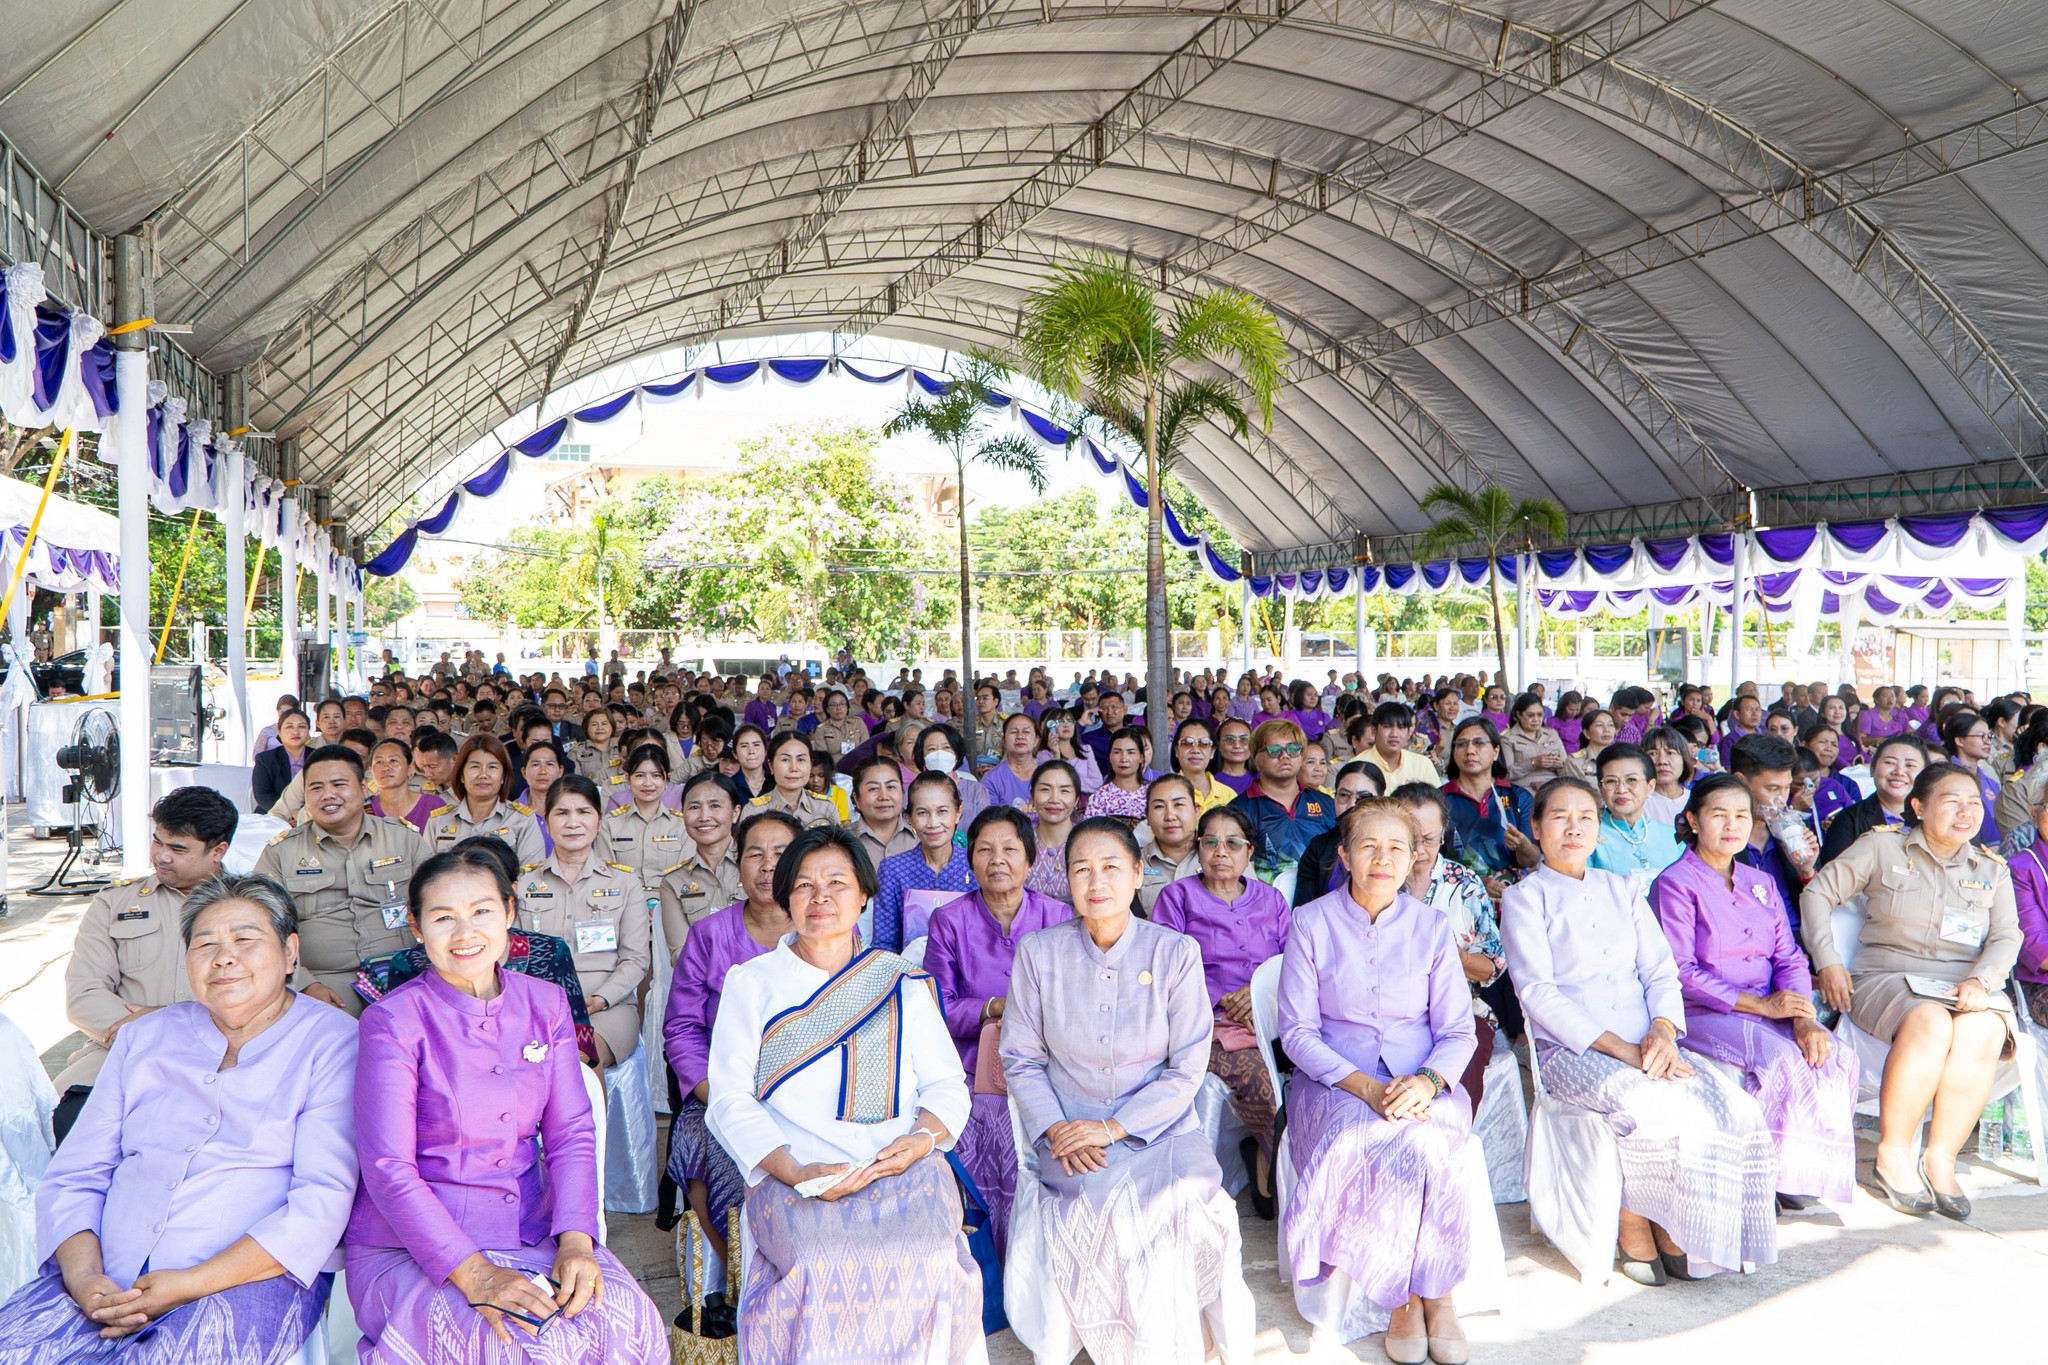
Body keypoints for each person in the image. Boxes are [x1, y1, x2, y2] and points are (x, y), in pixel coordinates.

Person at [0, 876, 358, 1364]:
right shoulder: (143, 1038)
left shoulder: (334, 1041)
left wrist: (188, 1285)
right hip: (106, 1277)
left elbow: (322, 1200)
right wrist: (86, 1282)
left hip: (244, 1280)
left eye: (246, 940)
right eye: (205, 943)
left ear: (291, 951)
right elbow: (74, 1175)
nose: (224, 957)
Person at [345, 847, 667, 1361]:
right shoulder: (393, 1021)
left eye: (482, 912)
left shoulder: (545, 1003)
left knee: (628, 1322)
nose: (464, 932)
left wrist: (578, 1242)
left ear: (510, 914)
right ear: (417, 927)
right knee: (514, 1346)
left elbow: (571, 1134)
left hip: (532, 1233)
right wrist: (474, 1274)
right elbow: (388, 1169)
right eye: (443, 917)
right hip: (413, 1250)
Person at [705, 826, 981, 1364]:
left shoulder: (900, 981)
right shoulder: (751, 983)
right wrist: (791, 1170)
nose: (820, 897)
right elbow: (730, 1099)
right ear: (785, 897)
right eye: (804, 885)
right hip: (796, 1173)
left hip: (899, 1167)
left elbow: (948, 1084)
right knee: (818, 1262)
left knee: (928, 1257)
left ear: (864, 896)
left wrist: (922, 1140)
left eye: (837, 882)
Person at [1000, 818, 1256, 1363]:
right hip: (1069, 1128)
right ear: (1064, 880)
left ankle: (1173, 1339)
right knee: (1100, 1209)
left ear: (1139, 873)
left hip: (1159, 1129)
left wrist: (1115, 1127)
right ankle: (1121, 1340)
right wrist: (1058, 1130)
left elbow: (1188, 1067)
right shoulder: (1039, 953)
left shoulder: (1175, 952)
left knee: (1183, 1207)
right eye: (1081, 869)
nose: (1097, 881)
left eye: (1112, 866)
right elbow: (1020, 1060)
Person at [1502, 777, 1776, 1283]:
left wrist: (1664, 1031)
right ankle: (1635, 1217)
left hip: (1649, 1041)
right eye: (1559, 817)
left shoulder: (1622, 888)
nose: (1574, 827)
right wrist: (1623, 1051)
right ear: (1536, 828)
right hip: (1573, 1049)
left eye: (1586, 816)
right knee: (1649, 1104)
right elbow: (1537, 994)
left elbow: (1660, 972)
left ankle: (1678, 1219)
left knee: (1733, 1106)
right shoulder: (1526, 897)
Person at [1279, 798, 1479, 1360]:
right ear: (1344, 855)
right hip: (1334, 1085)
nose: (1382, 858)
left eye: (1397, 847)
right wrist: (1363, 1086)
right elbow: (1296, 1032)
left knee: (1426, 1143)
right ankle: (1401, 1300)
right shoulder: (1311, 922)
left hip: (1421, 1081)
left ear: (1417, 854)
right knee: (1373, 1141)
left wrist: (1429, 1083)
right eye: (1368, 845)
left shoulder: (1433, 927)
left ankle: (1436, 1294)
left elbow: (1459, 1032)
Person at [1800, 762, 2021, 1219]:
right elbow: (1817, 894)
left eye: (1974, 803)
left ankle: (1940, 1157)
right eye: (1952, 801)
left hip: (1964, 984)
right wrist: (1828, 963)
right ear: (1919, 806)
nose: (1966, 812)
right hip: (1888, 977)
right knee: (1929, 1021)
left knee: (1983, 1031)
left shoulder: (1991, 868)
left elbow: (2006, 936)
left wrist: (1982, 981)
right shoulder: (1882, 847)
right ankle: (1893, 1155)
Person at [1651, 775, 1857, 1210]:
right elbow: (1680, 971)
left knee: (1836, 1054)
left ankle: (1800, 1171)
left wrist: (1804, 1018)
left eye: (1741, 815)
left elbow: (1789, 958)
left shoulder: (1758, 880)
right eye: (1718, 814)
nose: (1732, 825)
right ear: (1693, 819)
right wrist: (1762, 1006)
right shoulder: (1675, 883)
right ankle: (1761, 1175)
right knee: (1780, 1057)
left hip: (1770, 1009)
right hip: (1703, 1013)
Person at [662, 811, 800, 1315]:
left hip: (809, 1095)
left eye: (781, 854)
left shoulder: (823, 932)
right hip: (723, 1093)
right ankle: (739, 1281)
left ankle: (795, 1269)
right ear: (737, 867)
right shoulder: (711, 935)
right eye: (754, 855)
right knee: (701, 1140)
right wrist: (714, 1095)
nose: (767, 867)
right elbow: (680, 1028)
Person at [924, 806, 1073, 1256]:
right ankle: (994, 1252)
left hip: (1052, 1061)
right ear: (970, 862)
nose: (997, 860)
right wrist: (994, 1008)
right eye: (985, 850)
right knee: (984, 1125)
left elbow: (1076, 1000)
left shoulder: (1058, 915)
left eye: (1010, 849)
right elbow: (938, 1010)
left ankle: (1045, 1254)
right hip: (974, 1068)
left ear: (1030, 860)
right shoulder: (949, 921)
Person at [53, 788, 239, 1144]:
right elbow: (85, 993)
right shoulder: (114, 902)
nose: (162, 856)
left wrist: (168, 1021)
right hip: (122, 1048)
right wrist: (148, 1030)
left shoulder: (253, 906)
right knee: (54, 1121)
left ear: (218, 852)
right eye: (158, 842)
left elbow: (273, 993)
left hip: (226, 1053)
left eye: (178, 849)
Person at [1151, 805, 1292, 1219]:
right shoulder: (1177, 897)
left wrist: (1258, 995)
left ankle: (1273, 1162)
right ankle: (1277, 1177)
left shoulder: (1271, 899)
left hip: (1270, 1018)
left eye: (1233, 843)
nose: (1220, 852)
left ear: (1250, 852)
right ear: (1198, 849)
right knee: (1259, 1076)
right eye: (1210, 842)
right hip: (1207, 1024)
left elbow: (1294, 965)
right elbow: (1166, 967)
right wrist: (1224, 999)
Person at [252, 743, 435, 1015]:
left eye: (339, 785)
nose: (328, 795)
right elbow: (258, 928)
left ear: (363, 788)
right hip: (323, 984)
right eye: (316, 788)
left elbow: (438, 908)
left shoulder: (405, 839)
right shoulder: (281, 852)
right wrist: (304, 984)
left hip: (403, 976)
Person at [515, 775, 651, 1069]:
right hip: (535, 1007)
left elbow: (636, 958)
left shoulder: (625, 882)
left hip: (606, 1008)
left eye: (584, 812)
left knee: (579, 1057)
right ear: (547, 821)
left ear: (599, 821)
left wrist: (600, 998)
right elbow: (511, 956)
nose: (573, 822)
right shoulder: (523, 884)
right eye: (562, 813)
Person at [1392, 782, 1511, 1093]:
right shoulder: (1374, 882)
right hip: (1386, 1012)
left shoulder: (1464, 884)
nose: (1418, 849)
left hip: (1461, 1011)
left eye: (1429, 839)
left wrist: (1461, 959)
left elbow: (1494, 964)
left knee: (1458, 1074)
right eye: (1408, 838)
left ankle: (1451, 1137)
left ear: (1443, 834)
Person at [871, 771, 975, 951]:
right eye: (922, 813)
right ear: (909, 818)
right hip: (908, 974)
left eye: (942, 811)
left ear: (958, 813)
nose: (933, 823)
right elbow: (885, 944)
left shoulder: (975, 866)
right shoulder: (893, 870)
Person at [1228, 717, 1337, 887]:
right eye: (1274, 750)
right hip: (1265, 904)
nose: (1285, 756)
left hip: (1319, 903)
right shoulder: (1239, 810)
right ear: (1256, 759)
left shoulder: (1326, 803)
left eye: (1293, 749)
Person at [1441, 718, 1538, 901]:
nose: (1470, 750)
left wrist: (1523, 846)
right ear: (1454, 752)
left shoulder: (1518, 798)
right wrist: (1475, 882)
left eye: (1479, 743)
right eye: (1461, 744)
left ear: (1495, 751)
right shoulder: (1440, 800)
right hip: (1456, 898)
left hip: (1510, 896)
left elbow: (1531, 860)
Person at [656, 771, 746, 952]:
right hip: (702, 978)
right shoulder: (674, 882)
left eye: (714, 806)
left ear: (735, 813)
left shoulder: (757, 868)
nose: (704, 816)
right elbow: (681, 953)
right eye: (694, 807)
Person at [425, 734, 546, 866]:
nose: (483, 774)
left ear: (503, 777)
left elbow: (531, 878)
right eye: (475, 767)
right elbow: (426, 876)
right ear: (461, 776)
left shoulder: (523, 820)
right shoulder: (438, 821)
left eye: (492, 767)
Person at [1816, 733, 1929, 869]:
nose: (1899, 771)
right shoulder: (1849, 820)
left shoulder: (1936, 819)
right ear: (1872, 769)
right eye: (1889, 762)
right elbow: (1834, 877)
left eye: (1910, 765)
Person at [1590, 744, 1684, 881]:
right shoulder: (1588, 837)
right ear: (1600, 788)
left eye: (1631, 780)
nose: (1621, 789)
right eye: (1611, 781)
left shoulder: (1672, 836)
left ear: (1650, 787)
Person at [1136, 774, 1203, 910]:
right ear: (1147, 817)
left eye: (1178, 804)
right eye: (1159, 807)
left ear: (1196, 811)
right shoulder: (1134, 864)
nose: (1170, 816)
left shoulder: (1224, 856)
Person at [749, 731, 841, 827]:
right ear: (771, 766)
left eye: (801, 760)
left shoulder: (826, 807)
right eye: (785, 760)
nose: (793, 768)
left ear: (810, 765)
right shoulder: (755, 811)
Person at [848, 755, 919, 869]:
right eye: (873, 789)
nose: (884, 796)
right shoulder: (843, 841)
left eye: (891, 787)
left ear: (902, 792)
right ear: (856, 798)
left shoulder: (922, 836)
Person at [1024, 760, 1080, 903]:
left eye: (1064, 791)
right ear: (1032, 796)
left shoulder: (1086, 843)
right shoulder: (1021, 841)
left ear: (1076, 800)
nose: (1054, 799)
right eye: (1045, 789)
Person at [367, 738, 438, 832]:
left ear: (410, 768)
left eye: (393, 760)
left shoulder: (432, 805)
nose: (386, 768)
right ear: (371, 770)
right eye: (379, 762)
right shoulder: (363, 809)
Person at [1502, 691, 1568, 793]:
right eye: (1530, 715)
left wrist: (1560, 766)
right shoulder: (1508, 739)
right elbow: (1506, 774)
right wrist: (1533, 763)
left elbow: (1566, 767)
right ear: (1518, 714)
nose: (1536, 719)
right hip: (1524, 790)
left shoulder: (1551, 734)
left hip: (1553, 787)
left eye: (1540, 715)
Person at [1084, 726, 1151, 823]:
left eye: (1131, 752)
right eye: (1117, 752)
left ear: (1141, 757)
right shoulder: (1099, 798)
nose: (1124, 759)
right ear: (1110, 757)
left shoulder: (1152, 793)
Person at [253, 707, 313, 814]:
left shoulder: (319, 757)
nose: (296, 731)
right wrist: (291, 813)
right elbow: (263, 795)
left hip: (311, 816)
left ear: (308, 731)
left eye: (302, 726)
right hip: (273, 814)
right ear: (279, 732)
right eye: (289, 727)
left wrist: (303, 814)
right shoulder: (265, 759)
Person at [1168, 718, 1234, 813]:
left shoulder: (1229, 795)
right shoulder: (1166, 792)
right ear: (1176, 751)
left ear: (1212, 752)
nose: (1195, 750)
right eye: (1187, 743)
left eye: (1204, 743)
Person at [981, 711, 1043, 808]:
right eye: (1014, 732)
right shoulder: (991, 779)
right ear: (1004, 741)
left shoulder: (1050, 773)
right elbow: (991, 819)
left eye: (1026, 731)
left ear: (1036, 740)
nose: (1020, 736)